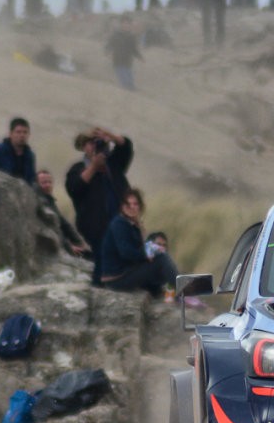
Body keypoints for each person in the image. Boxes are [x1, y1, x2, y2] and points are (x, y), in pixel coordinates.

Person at [66, 127, 134, 286]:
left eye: (98, 143)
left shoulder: (114, 164)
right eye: (90, 143)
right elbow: (74, 188)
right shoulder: (78, 169)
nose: (95, 146)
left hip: (120, 222)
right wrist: (94, 166)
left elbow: (126, 147)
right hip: (95, 227)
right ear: (83, 147)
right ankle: (98, 292)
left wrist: (110, 136)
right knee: (103, 264)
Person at [99, 189, 178, 298]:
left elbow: (141, 247)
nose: (131, 207)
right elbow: (126, 253)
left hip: (126, 272)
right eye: (128, 204)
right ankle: (183, 292)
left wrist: (153, 250)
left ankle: (161, 292)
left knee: (162, 257)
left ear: (140, 206)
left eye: (135, 204)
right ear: (122, 206)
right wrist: (147, 254)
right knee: (162, 259)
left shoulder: (132, 224)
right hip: (116, 279)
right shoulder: (119, 224)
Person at [35, 169, 89, 257]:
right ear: (37, 184)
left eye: (49, 182)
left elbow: (64, 224)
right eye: (44, 183)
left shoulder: (50, 201)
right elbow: (51, 228)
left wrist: (80, 242)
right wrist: (69, 247)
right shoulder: (40, 203)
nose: (48, 185)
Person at [0, 116, 37, 184]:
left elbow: (31, 180)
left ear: (29, 135)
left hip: (20, 189)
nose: (22, 135)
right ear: (10, 134)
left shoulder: (30, 156)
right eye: (18, 132)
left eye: (25, 132)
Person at [105, 13, 142, 90]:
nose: (126, 25)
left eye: (128, 24)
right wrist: (107, 51)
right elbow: (109, 44)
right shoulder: (116, 35)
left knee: (130, 83)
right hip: (118, 62)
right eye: (124, 23)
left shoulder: (131, 36)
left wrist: (140, 57)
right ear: (121, 24)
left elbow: (134, 49)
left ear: (130, 25)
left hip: (127, 62)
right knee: (125, 83)